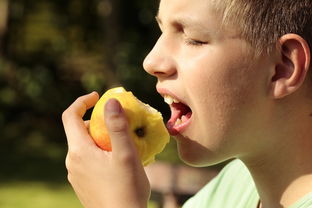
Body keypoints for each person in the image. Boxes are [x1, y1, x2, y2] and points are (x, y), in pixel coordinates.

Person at [62, 0, 312, 207]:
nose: (151, 61)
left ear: (281, 68)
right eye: (162, 31)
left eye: (193, 38)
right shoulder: (233, 187)